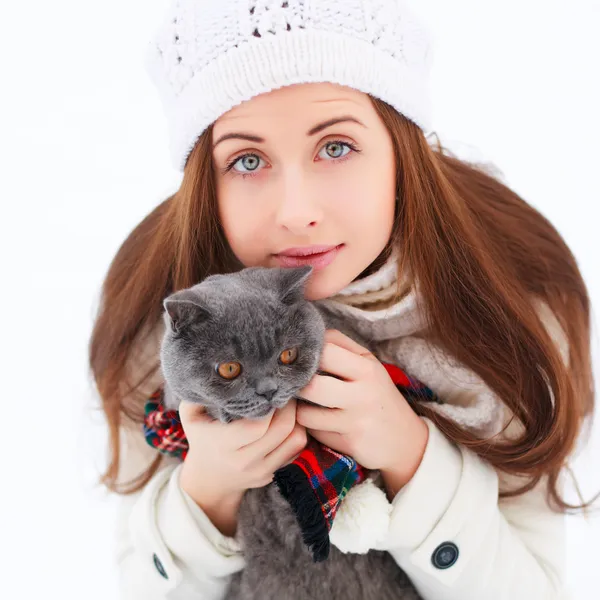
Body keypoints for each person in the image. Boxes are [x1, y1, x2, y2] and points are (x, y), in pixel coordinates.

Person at [88, 1, 598, 598]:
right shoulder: (169, 311)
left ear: (403, 150)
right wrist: (208, 489)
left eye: (335, 147)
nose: (297, 212)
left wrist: (413, 457)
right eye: (247, 160)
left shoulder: (504, 302)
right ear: (207, 175)